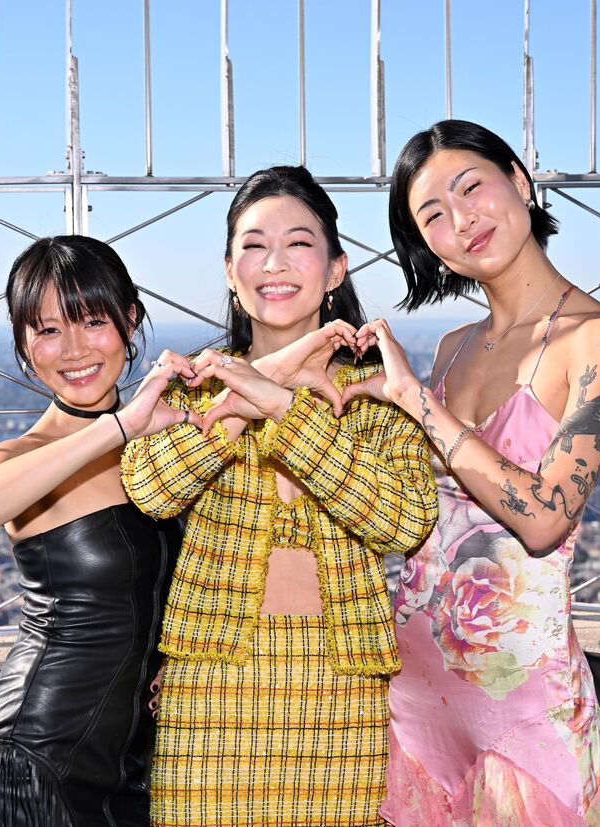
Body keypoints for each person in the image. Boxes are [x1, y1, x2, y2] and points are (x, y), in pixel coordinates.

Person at [343, 120, 600, 826]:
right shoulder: (453, 347)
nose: (461, 220)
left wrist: (419, 402)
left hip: (524, 703)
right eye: (432, 216)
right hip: (413, 694)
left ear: (519, 178)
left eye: (470, 187)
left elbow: (544, 518)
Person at [120, 165, 438, 827]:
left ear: (335, 269)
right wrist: (246, 396)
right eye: (253, 244)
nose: (275, 262)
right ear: (231, 270)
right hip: (211, 688)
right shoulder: (189, 386)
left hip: (343, 686)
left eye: (299, 243)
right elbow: (151, 488)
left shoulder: (382, 393)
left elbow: (404, 519)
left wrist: (286, 410)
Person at [0, 235, 188, 827]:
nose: (74, 349)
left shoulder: (164, 443)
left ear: (131, 321)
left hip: (127, 776)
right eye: (48, 330)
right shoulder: (26, 455)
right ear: (25, 347)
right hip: (25, 764)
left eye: (93, 321)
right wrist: (118, 428)